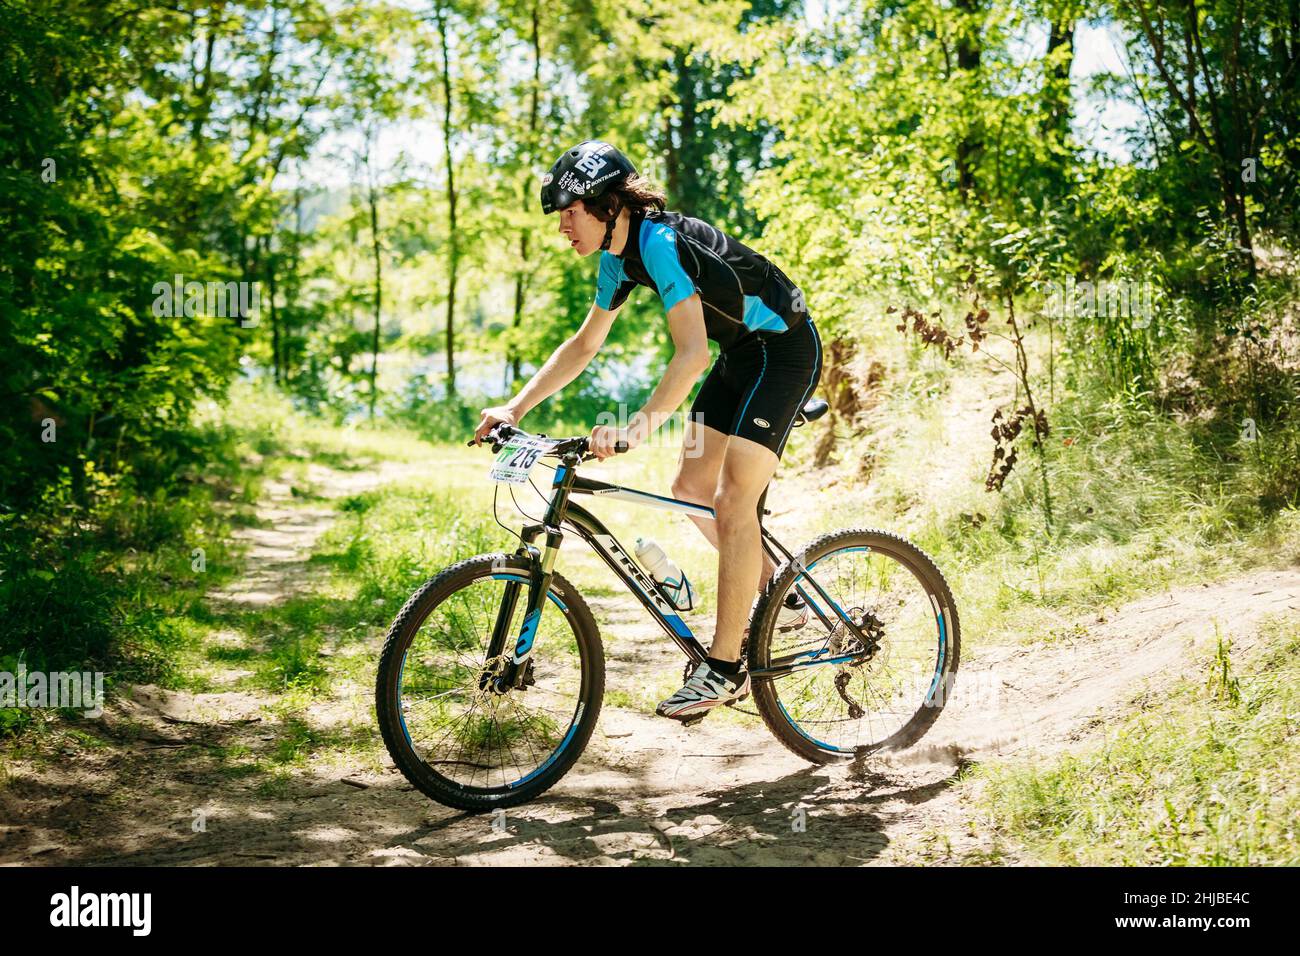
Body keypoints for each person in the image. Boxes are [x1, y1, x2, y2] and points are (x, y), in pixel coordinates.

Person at [474, 140, 821, 721]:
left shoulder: (660, 244)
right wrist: (516, 407)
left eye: (569, 212)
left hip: (784, 352)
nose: (562, 226)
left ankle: (726, 667)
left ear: (607, 205)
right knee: (689, 488)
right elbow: (585, 344)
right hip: (738, 357)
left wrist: (633, 430)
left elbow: (687, 357)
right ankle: (781, 594)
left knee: (734, 500)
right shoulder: (617, 257)